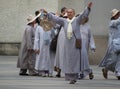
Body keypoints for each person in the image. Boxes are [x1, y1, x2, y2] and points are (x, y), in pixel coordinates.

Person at [44, 2, 92, 84]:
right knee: (68, 60)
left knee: (75, 61)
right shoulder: (64, 21)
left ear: (74, 13)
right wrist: (47, 13)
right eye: (68, 12)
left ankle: (74, 77)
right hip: (67, 45)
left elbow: (84, 15)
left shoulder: (77, 20)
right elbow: (55, 18)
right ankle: (69, 77)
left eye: (71, 12)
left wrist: (88, 8)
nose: (69, 14)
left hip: (75, 45)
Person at [99, 9, 120, 80]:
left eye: (118, 14)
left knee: (119, 59)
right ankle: (106, 69)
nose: (118, 15)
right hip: (114, 44)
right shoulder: (112, 22)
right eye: (117, 14)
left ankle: (118, 72)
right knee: (112, 60)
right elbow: (117, 22)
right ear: (114, 16)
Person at [54, 7, 67, 78]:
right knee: (60, 54)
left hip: (67, 40)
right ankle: (58, 71)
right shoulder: (60, 22)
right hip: (61, 39)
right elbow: (56, 26)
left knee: (65, 55)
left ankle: (66, 71)